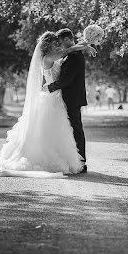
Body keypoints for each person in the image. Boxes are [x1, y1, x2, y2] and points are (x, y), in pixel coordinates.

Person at [0, 31, 95, 178]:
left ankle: (70, 159)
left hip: (57, 97)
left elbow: (69, 51)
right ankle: (59, 159)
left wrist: (85, 46)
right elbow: (69, 50)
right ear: (49, 45)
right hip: (53, 96)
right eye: (56, 43)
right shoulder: (48, 57)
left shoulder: (56, 56)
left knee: (60, 129)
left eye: (59, 43)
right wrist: (85, 45)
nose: (58, 46)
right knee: (54, 129)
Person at [48, 28, 90, 173]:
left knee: (76, 129)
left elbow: (67, 79)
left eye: (60, 41)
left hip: (72, 98)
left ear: (66, 39)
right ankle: (75, 160)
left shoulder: (74, 57)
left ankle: (81, 162)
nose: (59, 45)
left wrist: (50, 88)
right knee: (71, 129)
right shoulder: (72, 54)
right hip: (68, 97)